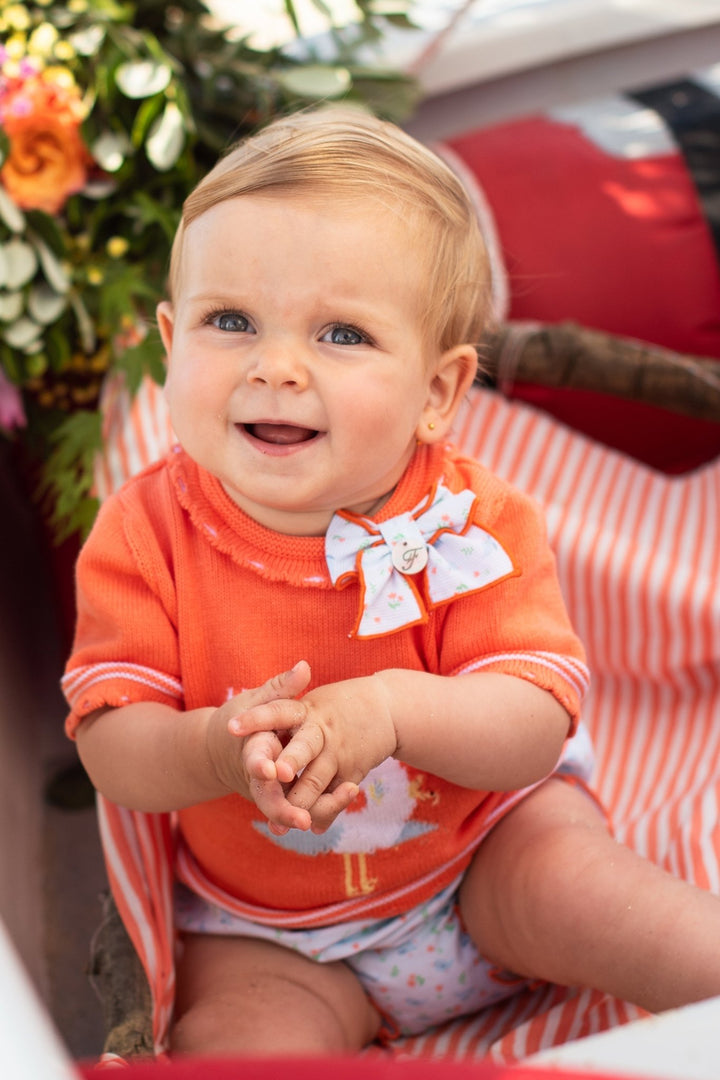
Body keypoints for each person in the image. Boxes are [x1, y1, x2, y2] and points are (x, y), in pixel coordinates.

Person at [63, 107, 720, 1058]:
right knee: (236, 1045)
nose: (275, 367)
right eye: (231, 321)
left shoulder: (469, 521)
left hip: (486, 851)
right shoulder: (144, 531)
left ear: (439, 393)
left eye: (340, 334)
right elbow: (112, 743)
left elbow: (535, 722)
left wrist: (394, 710)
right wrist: (213, 750)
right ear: (170, 342)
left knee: (610, 902)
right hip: (272, 932)